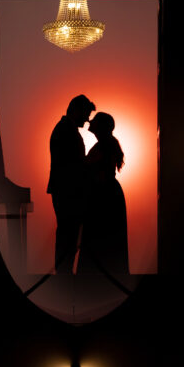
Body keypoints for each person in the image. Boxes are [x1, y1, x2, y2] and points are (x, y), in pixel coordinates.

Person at [48, 94, 95, 274]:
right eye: (85, 114)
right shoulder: (65, 130)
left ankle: (64, 272)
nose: (87, 119)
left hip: (66, 190)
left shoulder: (65, 129)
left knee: (68, 234)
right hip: (68, 191)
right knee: (67, 234)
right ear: (76, 110)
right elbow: (72, 165)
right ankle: (63, 274)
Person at [82, 112, 129, 277]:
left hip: (104, 197)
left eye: (94, 120)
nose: (90, 121)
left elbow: (94, 173)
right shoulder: (108, 144)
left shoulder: (103, 146)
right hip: (110, 194)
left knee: (101, 236)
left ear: (100, 126)